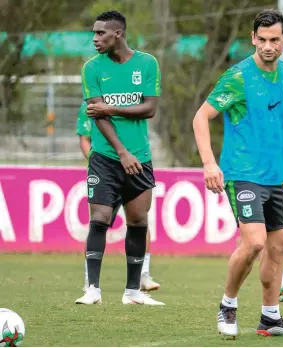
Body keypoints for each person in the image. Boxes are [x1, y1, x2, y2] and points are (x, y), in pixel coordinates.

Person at [192, 9, 283, 338]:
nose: (267, 46)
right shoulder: (238, 77)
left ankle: (270, 318)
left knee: (279, 246)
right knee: (253, 243)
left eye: (274, 40)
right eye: (261, 39)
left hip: (275, 176)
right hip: (242, 173)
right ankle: (228, 305)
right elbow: (200, 117)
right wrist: (209, 163)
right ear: (253, 38)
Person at [75, 10, 164, 305]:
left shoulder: (147, 63)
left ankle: (132, 291)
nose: (95, 38)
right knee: (99, 219)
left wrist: (111, 109)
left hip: (140, 158)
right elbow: (95, 115)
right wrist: (120, 151)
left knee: (138, 221)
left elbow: (149, 108)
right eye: (94, 33)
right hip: (105, 157)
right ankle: (93, 290)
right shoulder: (91, 68)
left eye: (100, 33)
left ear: (118, 34)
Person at [75, 102, 160, 293]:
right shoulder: (88, 105)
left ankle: (143, 275)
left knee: (140, 222)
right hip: (106, 170)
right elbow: (84, 139)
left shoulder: (131, 100)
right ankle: (90, 281)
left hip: (134, 166)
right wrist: (99, 167)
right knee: (98, 222)